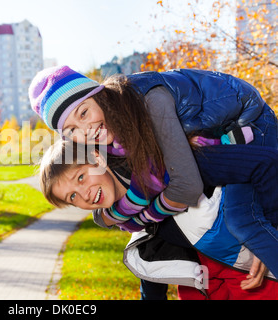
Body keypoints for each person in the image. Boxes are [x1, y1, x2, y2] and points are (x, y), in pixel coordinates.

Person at [29, 66, 278, 277]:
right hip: (220, 140)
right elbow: (124, 186)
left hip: (250, 122)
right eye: (72, 130)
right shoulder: (107, 143)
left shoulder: (149, 101)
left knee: (245, 222)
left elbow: (185, 187)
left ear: (99, 95)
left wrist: (128, 216)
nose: (86, 129)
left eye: (83, 112)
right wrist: (106, 216)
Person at [38, 139, 278, 299]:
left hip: (255, 273)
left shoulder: (178, 168)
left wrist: (267, 240)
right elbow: (153, 273)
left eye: (81, 177)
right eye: (72, 196)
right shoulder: (136, 222)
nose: (84, 194)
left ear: (97, 159)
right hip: (205, 280)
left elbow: (261, 168)